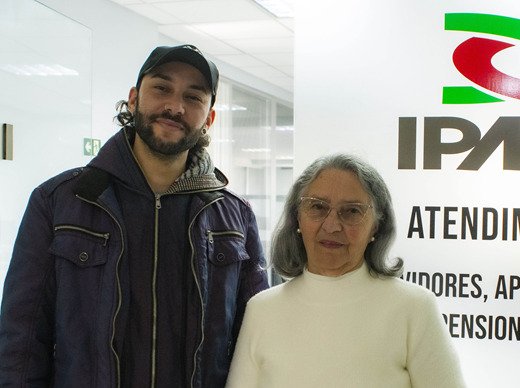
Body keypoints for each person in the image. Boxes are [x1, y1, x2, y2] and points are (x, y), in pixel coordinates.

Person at [0, 44, 269, 387]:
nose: (175, 106)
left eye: (194, 96)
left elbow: (257, 339)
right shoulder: (59, 201)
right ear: (133, 99)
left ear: (209, 118)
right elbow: (21, 339)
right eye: (161, 88)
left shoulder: (234, 216)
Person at [225, 153, 466, 388]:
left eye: (352, 211)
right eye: (318, 207)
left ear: (376, 227)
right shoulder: (262, 310)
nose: (331, 225)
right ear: (297, 218)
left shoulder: (414, 308)